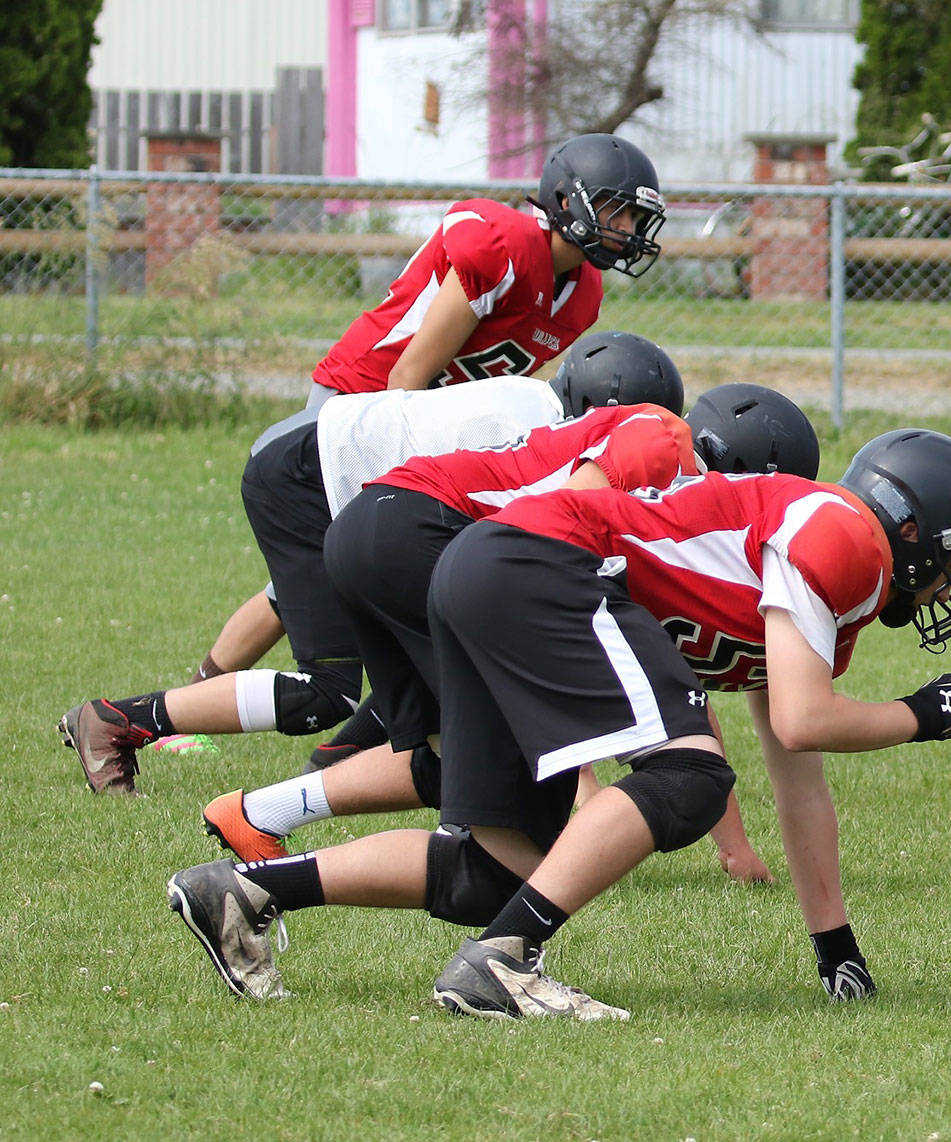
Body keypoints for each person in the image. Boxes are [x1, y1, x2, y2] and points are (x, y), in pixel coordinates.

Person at [167, 429, 951, 1019]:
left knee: (497, 869)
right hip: (539, 566)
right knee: (688, 779)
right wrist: (922, 716)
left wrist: (836, 946)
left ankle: (243, 891)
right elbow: (802, 718)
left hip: (490, 568)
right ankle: (504, 965)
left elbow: (794, 762)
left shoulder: (827, 581)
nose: (950, 587)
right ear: (914, 527)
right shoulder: (849, 538)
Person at [198, 374, 820, 891]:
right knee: (500, 847)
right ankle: (498, 952)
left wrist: (732, 844)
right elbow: (544, 537)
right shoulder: (658, 448)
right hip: (429, 536)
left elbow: (675, 691)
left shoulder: (659, 483)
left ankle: (257, 815)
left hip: (389, 526)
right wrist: (562, 743)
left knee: (447, 760)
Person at [184, 131, 667, 736]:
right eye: (619, 210)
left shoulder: (581, 295)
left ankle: (197, 707)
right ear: (569, 203)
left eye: (635, 216)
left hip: (424, 422)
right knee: (335, 571)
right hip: (368, 400)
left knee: (320, 578)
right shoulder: (503, 245)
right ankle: (192, 713)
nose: (629, 229)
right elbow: (407, 375)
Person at [57, 332, 680, 795]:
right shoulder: (540, 439)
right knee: (323, 690)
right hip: (308, 476)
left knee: (431, 657)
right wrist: (584, 780)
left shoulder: (535, 412)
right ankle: (116, 721)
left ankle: (327, 773)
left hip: (348, 488)